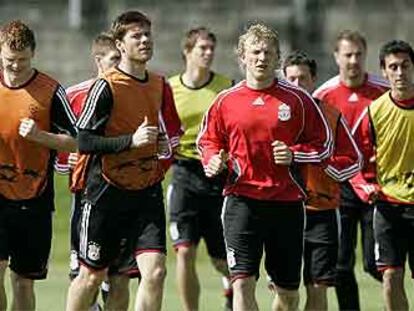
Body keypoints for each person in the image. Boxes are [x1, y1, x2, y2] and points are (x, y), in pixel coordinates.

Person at [197, 23, 333, 311]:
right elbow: (207, 141)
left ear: (277, 58)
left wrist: (294, 154)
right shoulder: (225, 101)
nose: (261, 58)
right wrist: (212, 161)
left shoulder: (298, 100)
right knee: (242, 283)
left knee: (288, 295)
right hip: (241, 202)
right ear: (242, 57)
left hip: (286, 204)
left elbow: (324, 146)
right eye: (255, 52)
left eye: (268, 53)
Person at [65, 10, 182, 311]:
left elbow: (169, 137)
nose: (145, 40)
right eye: (136, 35)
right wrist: (130, 141)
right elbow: (84, 140)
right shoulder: (106, 86)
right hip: (105, 193)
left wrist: (161, 146)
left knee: (154, 272)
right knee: (92, 277)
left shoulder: (159, 84)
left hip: (146, 193)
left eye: (147, 34)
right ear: (120, 44)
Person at [58, 32, 141, 311]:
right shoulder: (74, 95)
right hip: (87, 196)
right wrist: (64, 161)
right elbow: (64, 140)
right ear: (98, 60)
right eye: (114, 59)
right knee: (86, 276)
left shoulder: (134, 92)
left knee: (120, 279)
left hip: (125, 193)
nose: (120, 64)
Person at [0, 20, 77, 311]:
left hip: (34, 197)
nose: (16, 66)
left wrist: (39, 136)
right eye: (10, 60)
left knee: (22, 280)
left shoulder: (50, 91)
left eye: (23, 60)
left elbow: (76, 142)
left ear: (33, 54)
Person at [313, 29, 388, 310]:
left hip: (376, 188)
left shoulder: (383, 90)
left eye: (358, 54)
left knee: (375, 264)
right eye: (348, 55)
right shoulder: (324, 95)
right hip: (340, 187)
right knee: (341, 265)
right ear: (336, 57)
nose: (354, 60)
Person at [282, 50, 362, 310]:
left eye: (302, 78)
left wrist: (330, 169)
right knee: (286, 294)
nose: (297, 85)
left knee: (318, 290)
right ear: (283, 79)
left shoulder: (330, 115)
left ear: (313, 80)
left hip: (323, 212)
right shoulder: (273, 115)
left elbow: (354, 158)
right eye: (291, 79)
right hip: (282, 211)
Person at [167, 27, 234, 311]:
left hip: (217, 176)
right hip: (183, 175)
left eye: (211, 48)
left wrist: (225, 158)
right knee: (184, 250)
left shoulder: (225, 86)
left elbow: (235, 131)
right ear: (187, 52)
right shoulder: (169, 89)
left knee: (222, 259)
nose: (208, 53)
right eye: (202, 48)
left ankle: (233, 287)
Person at [352, 40, 414, 311]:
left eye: (406, 66)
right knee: (390, 275)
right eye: (393, 67)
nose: (400, 72)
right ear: (384, 71)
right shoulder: (374, 111)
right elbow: (355, 159)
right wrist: (364, 185)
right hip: (388, 206)